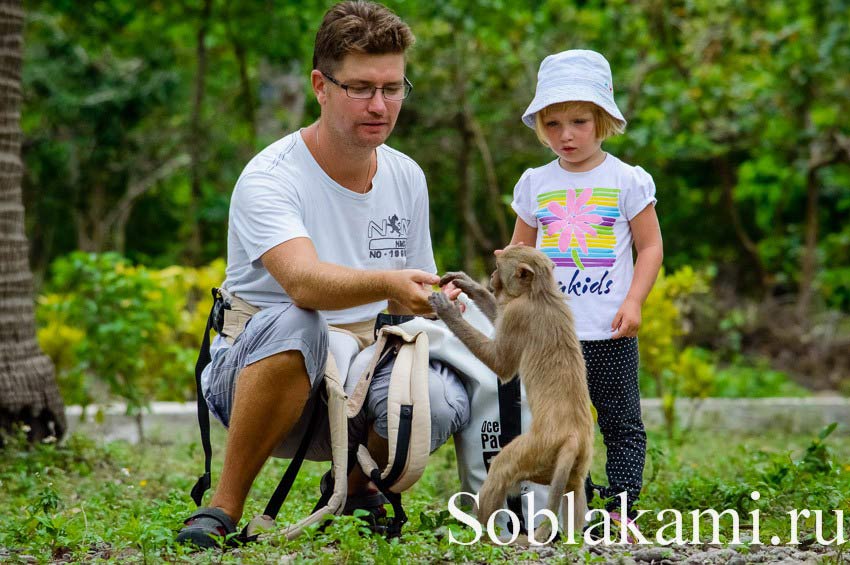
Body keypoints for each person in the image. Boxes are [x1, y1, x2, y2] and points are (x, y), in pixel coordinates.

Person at [176, 0, 469, 547]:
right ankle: (223, 506)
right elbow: (304, 283)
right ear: (321, 85)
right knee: (301, 321)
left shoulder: (407, 176)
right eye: (360, 87)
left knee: (438, 388)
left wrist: (440, 300)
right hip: (257, 375)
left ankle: (353, 487)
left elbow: (410, 299)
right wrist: (387, 283)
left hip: (359, 377)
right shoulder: (270, 176)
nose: (380, 104)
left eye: (393, 87)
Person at [508, 50, 663, 530]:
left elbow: (651, 246)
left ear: (603, 120)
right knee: (558, 425)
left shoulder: (626, 180)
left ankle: (618, 507)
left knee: (619, 422)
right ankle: (575, 502)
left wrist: (634, 300)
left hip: (608, 331)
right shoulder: (536, 183)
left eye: (579, 121)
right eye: (553, 124)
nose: (566, 135)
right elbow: (519, 252)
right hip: (552, 338)